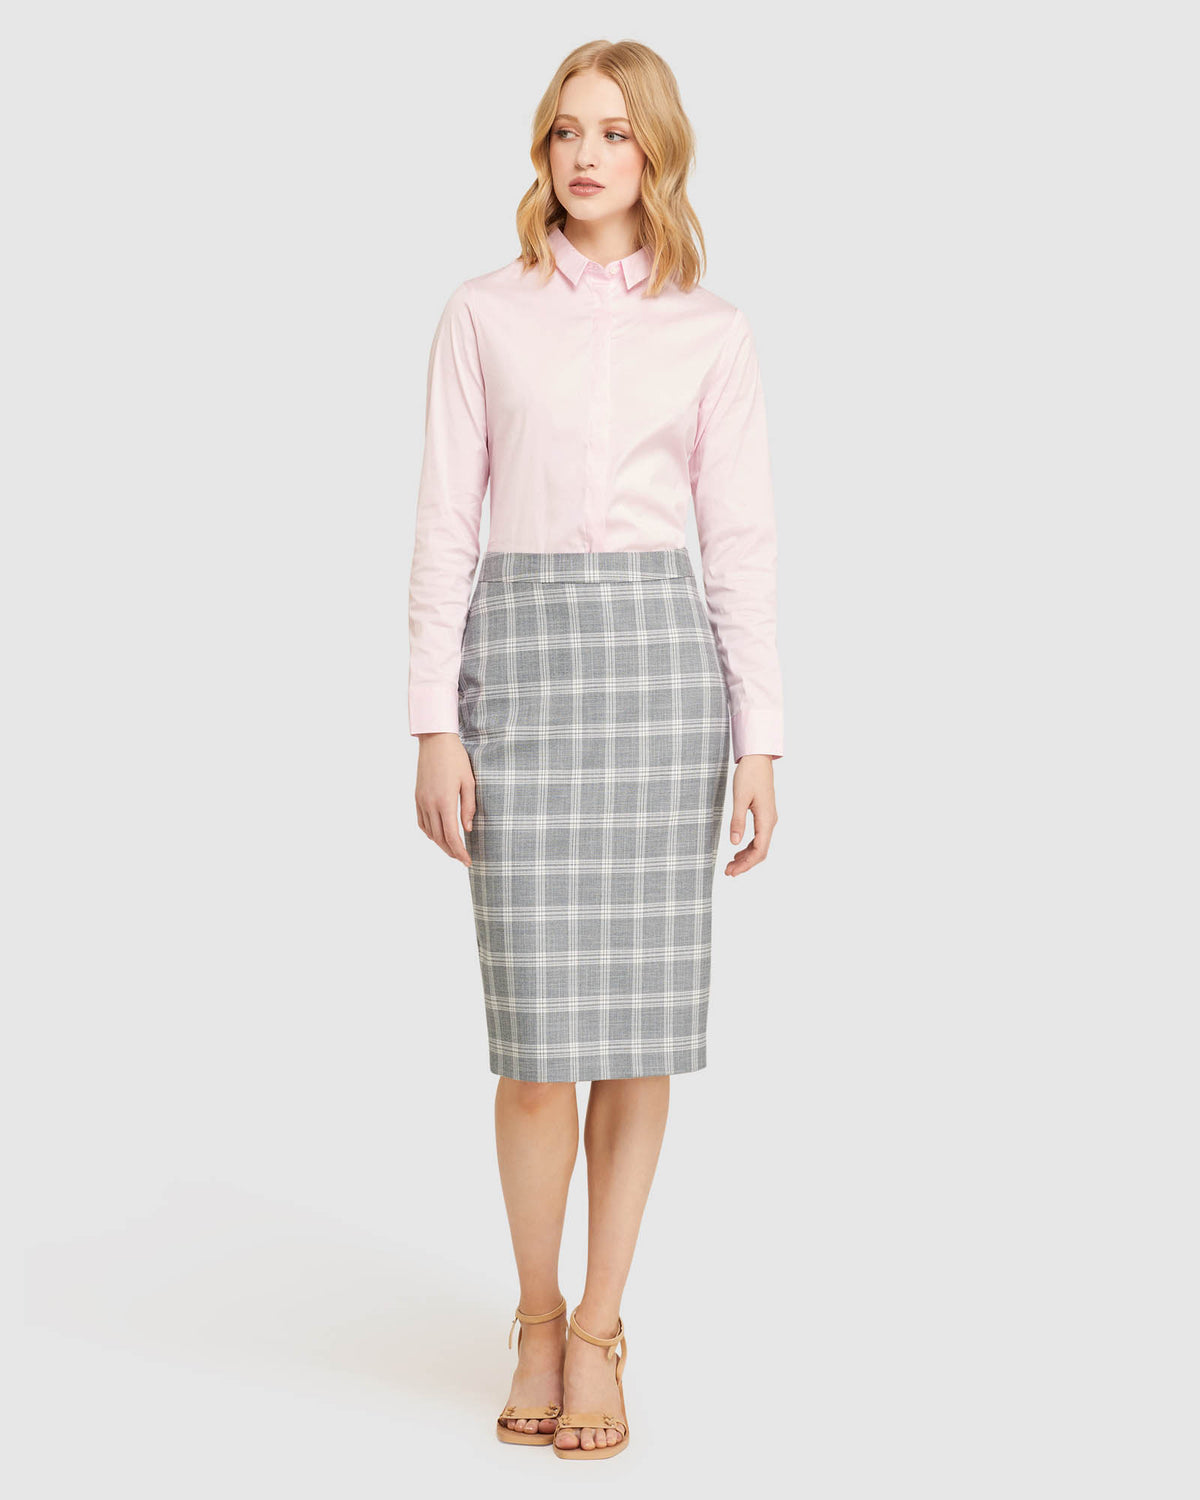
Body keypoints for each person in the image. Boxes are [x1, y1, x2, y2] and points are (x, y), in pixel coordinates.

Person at [407, 39, 783, 1460]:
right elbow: (443, 525)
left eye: (616, 133)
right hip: (520, 672)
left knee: (636, 1040)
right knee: (534, 1048)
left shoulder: (712, 331)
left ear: (656, 152)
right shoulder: (482, 314)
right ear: (542, 147)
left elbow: (739, 545)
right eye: (567, 130)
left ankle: (603, 1327)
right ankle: (534, 1311)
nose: (586, 155)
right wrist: (433, 721)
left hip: (659, 686)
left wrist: (760, 739)